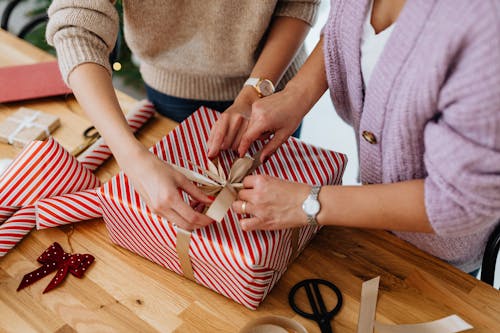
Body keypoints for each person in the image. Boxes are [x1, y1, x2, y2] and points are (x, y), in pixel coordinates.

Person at [207, 0, 500, 274]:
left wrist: (308, 204)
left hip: (436, 256)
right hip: (366, 225)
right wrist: (296, 96)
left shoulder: (486, 24)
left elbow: (461, 202)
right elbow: (344, 28)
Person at [45, 0, 319, 230]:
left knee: (274, 217)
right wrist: (131, 157)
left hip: (273, 90)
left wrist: (255, 91)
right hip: (171, 93)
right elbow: (76, 27)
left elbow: (299, 2)